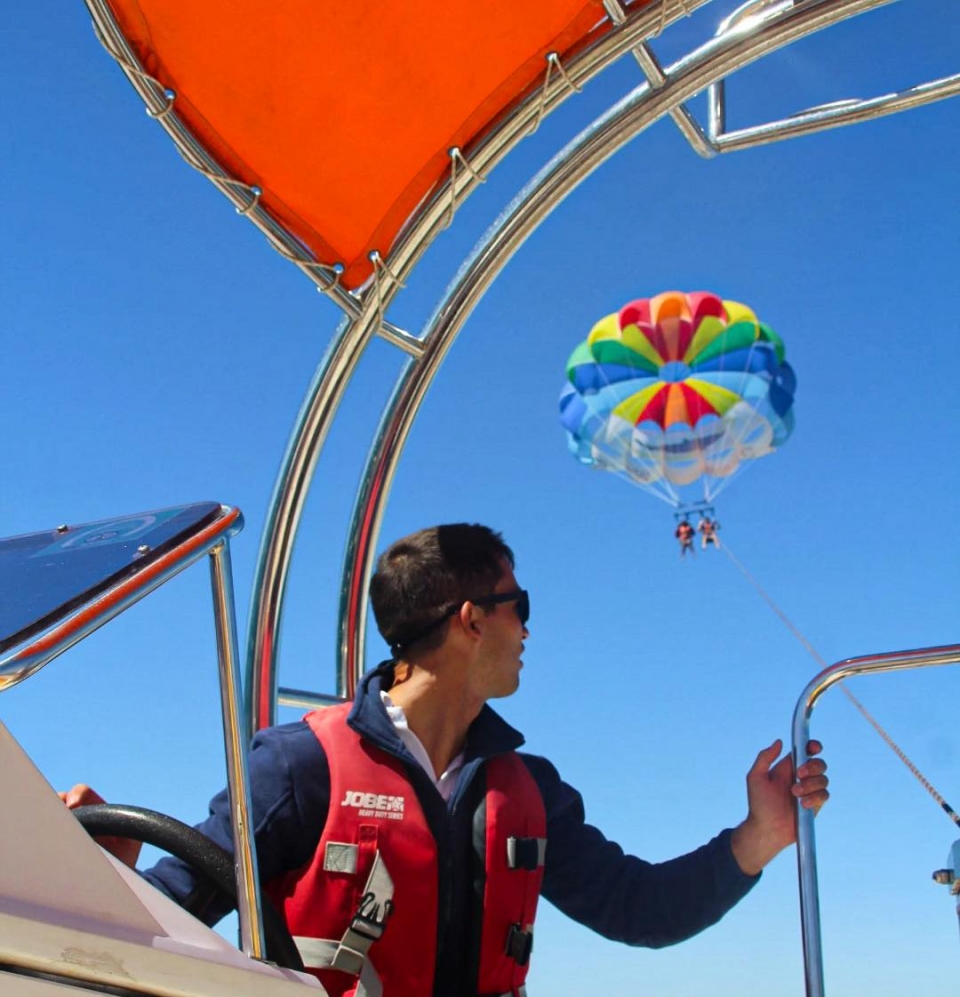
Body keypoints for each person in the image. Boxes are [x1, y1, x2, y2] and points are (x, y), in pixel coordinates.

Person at [63, 523, 829, 997]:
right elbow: (168, 914)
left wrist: (757, 836)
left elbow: (640, 907)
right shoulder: (298, 767)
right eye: (517, 607)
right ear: (470, 620)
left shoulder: (529, 789)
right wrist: (105, 876)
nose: (528, 631)